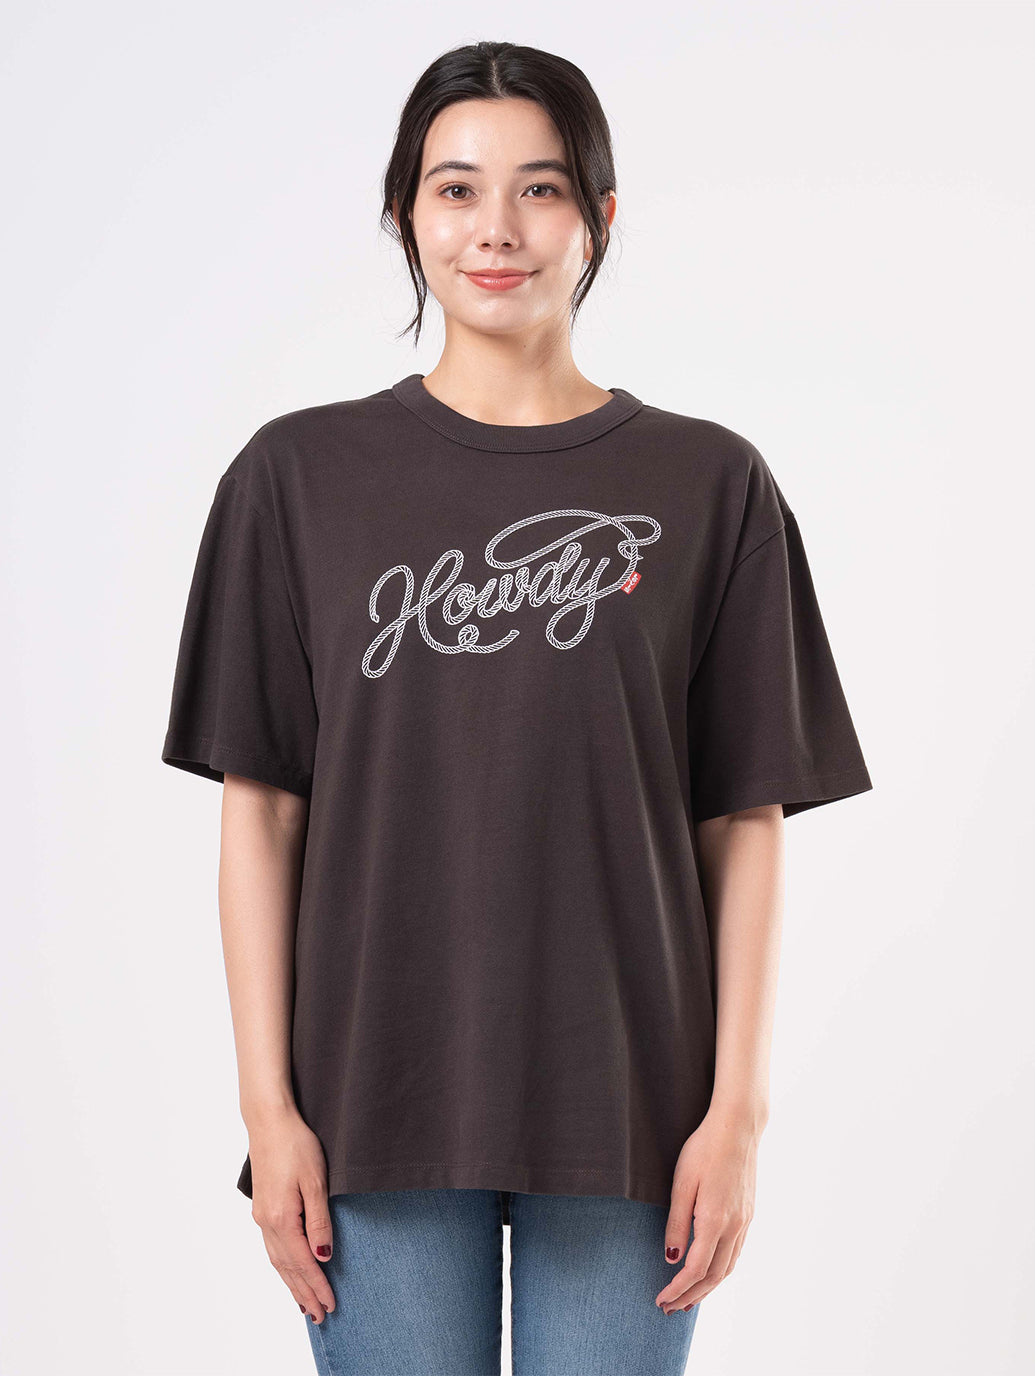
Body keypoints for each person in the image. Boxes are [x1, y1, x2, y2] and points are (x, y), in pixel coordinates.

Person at [161, 40, 873, 1376]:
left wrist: (738, 1113)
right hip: (369, 1101)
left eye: (540, 189)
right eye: (456, 190)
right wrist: (268, 1111)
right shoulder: (295, 479)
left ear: (598, 216)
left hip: (632, 1111)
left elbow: (745, 820)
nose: (495, 229)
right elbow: (261, 813)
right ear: (403, 215)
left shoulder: (711, 486)